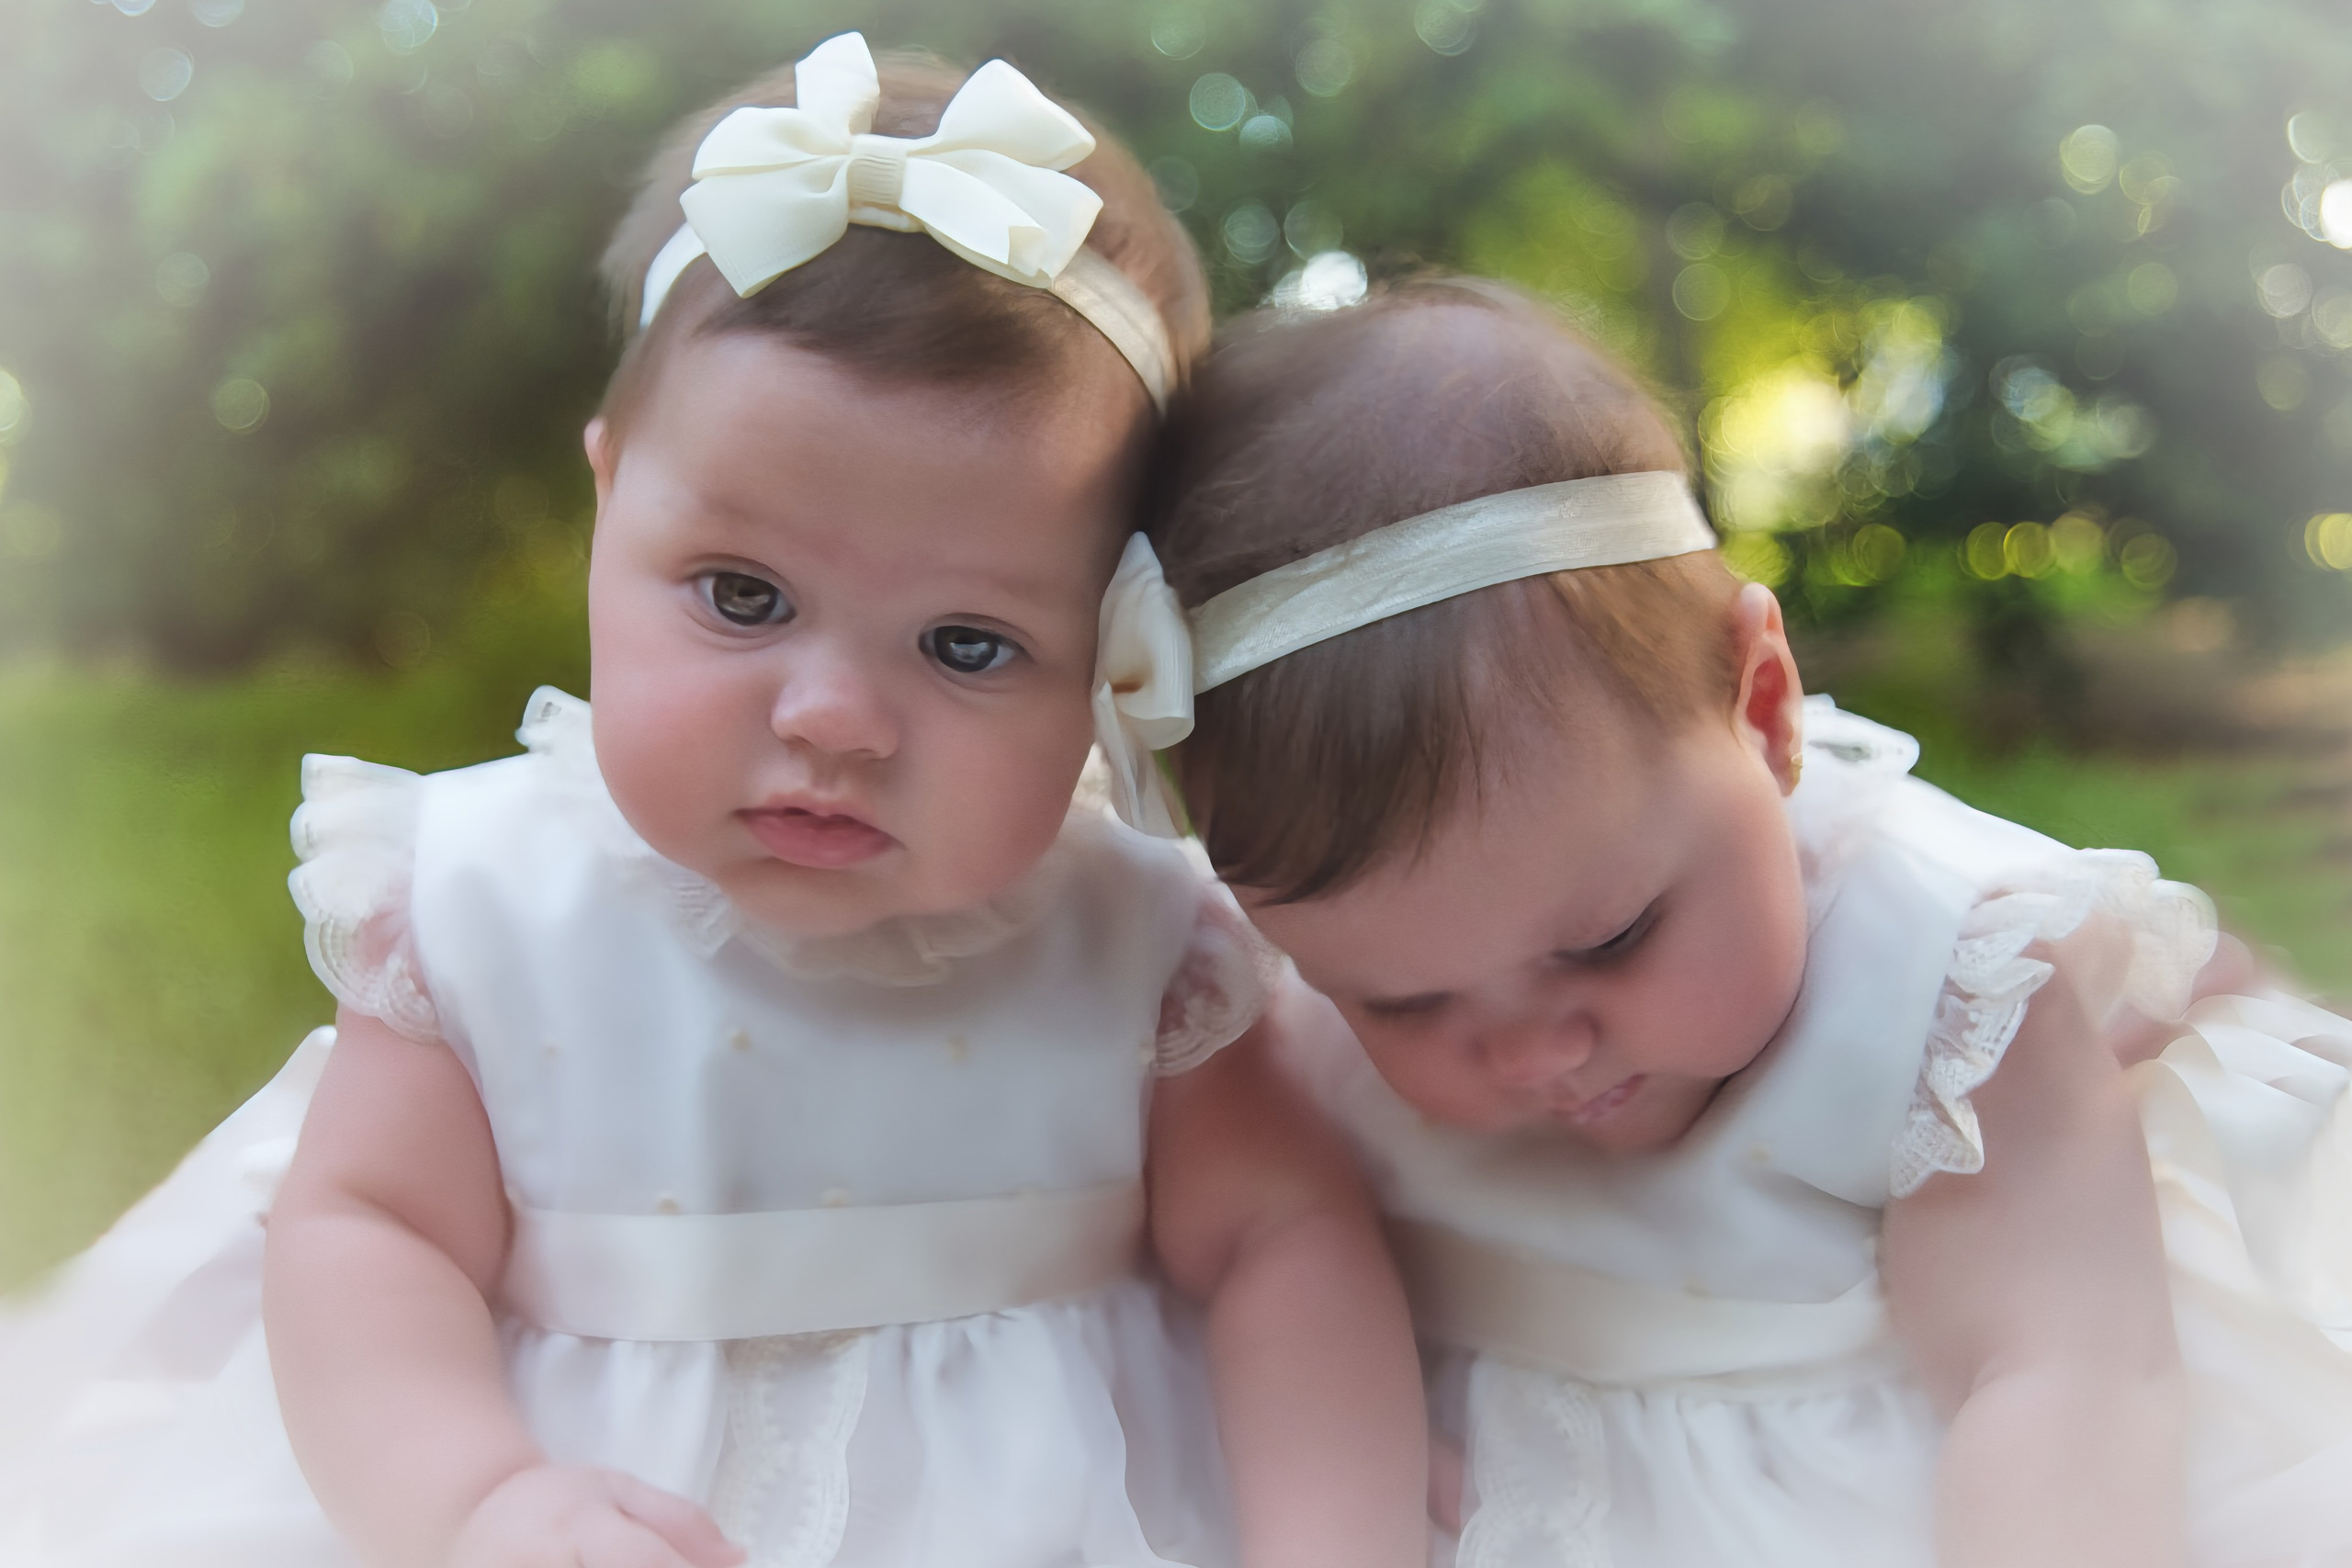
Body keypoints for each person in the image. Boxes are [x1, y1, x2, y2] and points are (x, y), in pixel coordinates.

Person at [0, 36, 1429, 1568]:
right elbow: (368, 1233)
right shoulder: (488, 900)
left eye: (969, 644)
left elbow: (1284, 1243)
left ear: (1116, 645)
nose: (832, 719)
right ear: (613, 500)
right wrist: (477, 1499)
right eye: (743, 596)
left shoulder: (1139, 944)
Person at [1143, 276, 2352, 1567]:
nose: (1538, 1050)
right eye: (1402, 1002)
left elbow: (2057, 1377)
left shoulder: (1937, 997)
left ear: (1766, 709)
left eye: (1611, 940)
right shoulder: (1282, 1002)